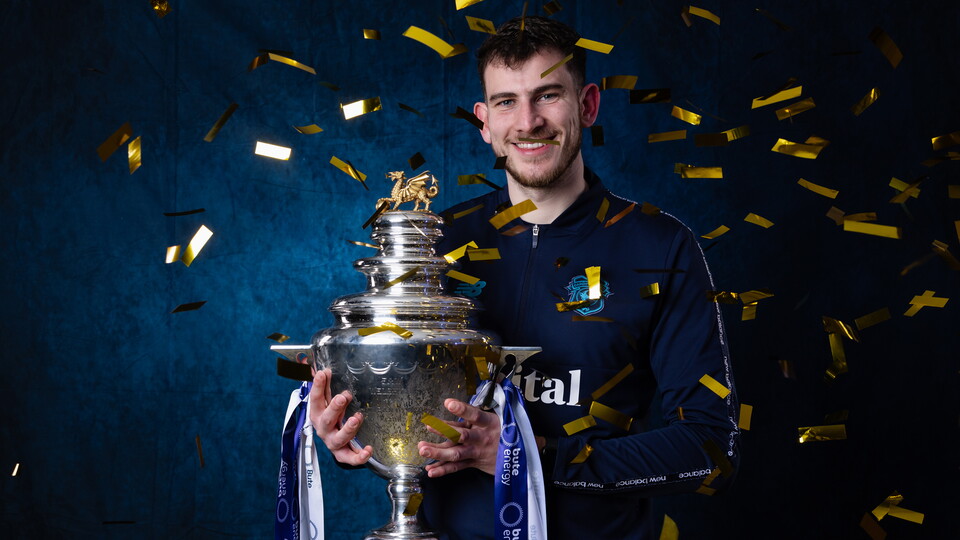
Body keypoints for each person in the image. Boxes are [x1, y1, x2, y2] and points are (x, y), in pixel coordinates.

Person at [310, 15, 740, 540]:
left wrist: (529, 456)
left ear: (587, 105)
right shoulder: (435, 247)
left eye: (548, 95)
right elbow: (398, 406)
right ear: (484, 121)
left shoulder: (660, 246)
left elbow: (710, 448)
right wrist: (351, 432)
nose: (529, 121)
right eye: (506, 101)